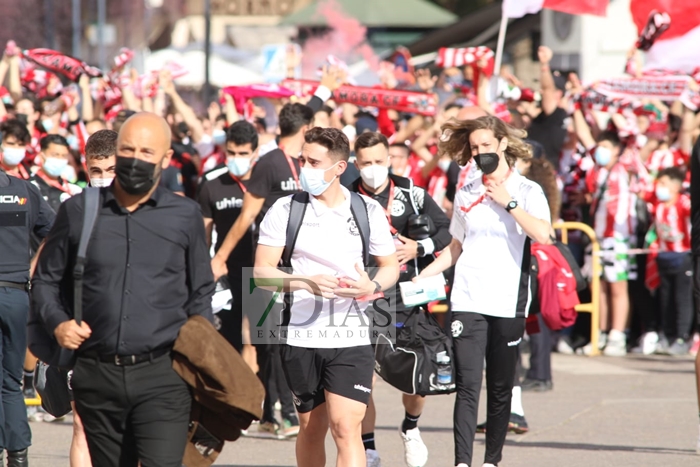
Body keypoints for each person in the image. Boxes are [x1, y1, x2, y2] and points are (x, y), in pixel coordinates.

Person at [31, 112, 215, 467]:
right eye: (128, 149)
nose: (135, 159)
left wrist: (202, 365)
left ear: (165, 158)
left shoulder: (184, 215)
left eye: (146, 151)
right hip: (96, 372)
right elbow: (45, 281)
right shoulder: (77, 211)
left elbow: (200, 293)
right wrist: (58, 323)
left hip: (164, 374)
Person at [254, 127, 399, 467]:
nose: (304, 167)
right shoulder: (285, 209)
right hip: (301, 334)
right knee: (311, 427)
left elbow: (390, 266)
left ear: (339, 168)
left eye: (313, 162)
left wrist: (373, 287)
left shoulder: (366, 210)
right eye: (302, 159)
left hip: (353, 334)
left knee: (346, 427)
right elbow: (261, 272)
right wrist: (306, 282)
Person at [415, 115, 551, 467]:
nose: (480, 153)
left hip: (508, 300)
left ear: (503, 145)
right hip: (467, 299)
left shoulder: (527, 190)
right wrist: (419, 279)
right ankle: (462, 463)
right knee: (468, 385)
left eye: (486, 146)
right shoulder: (466, 192)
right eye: (475, 148)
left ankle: (491, 461)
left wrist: (508, 201)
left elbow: (543, 235)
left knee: (501, 388)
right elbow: (454, 248)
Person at [349, 131, 451, 467]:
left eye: (379, 161)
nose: (373, 168)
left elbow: (447, 231)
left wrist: (418, 247)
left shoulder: (412, 193)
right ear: (355, 163)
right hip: (364, 295)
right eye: (366, 163)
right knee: (365, 376)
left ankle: (410, 428)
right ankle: (369, 448)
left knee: (418, 373)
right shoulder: (346, 197)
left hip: (407, 295)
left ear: (389, 159)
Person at [64, 129, 118, 467]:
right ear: (86, 169)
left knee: (131, 427)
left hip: (133, 333)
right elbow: (49, 274)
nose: (102, 179)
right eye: (95, 172)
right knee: (82, 426)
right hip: (84, 331)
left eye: (110, 171)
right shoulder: (73, 210)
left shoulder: (143, 211)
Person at [0, 163, 55, 466]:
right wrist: (33, 266)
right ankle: (18, 457)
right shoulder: (23, 190)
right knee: (11, 382)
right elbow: (58, 231)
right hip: (18, 295)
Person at [198, 121, 258, 354]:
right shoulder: (211, 184)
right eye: (231, 152)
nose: (237, 158)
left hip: (263, 270)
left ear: (255, 152)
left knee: (265, 344)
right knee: (228, 342)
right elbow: (204, 236)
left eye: (243, 153)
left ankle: (267, 391)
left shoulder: (265, 181)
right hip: (227, 273)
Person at [585, 131, 635, 356]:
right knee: (599, 286)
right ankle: (600, 333)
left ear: (616, 149)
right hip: (597, 236)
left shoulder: (624, 169)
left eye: (605, 146)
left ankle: (618, 334)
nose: (600, 151)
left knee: (617, 285)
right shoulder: (599, 173)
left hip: (618, 237)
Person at [653, 167, 693, 355]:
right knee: (665, 299)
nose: (659, 188)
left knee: (682, 299)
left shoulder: (684, 203)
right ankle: (666, 336)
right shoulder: (659, 205)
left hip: (683, 256)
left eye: (664, 184)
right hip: (663, 257)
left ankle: (682, 336)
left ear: (676, 186)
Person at [29, 134, 82, 214]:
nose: (60, 160)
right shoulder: (29, 187)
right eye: (55, 155)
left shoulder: (74, 190)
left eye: (64, 156)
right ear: (41, 157)